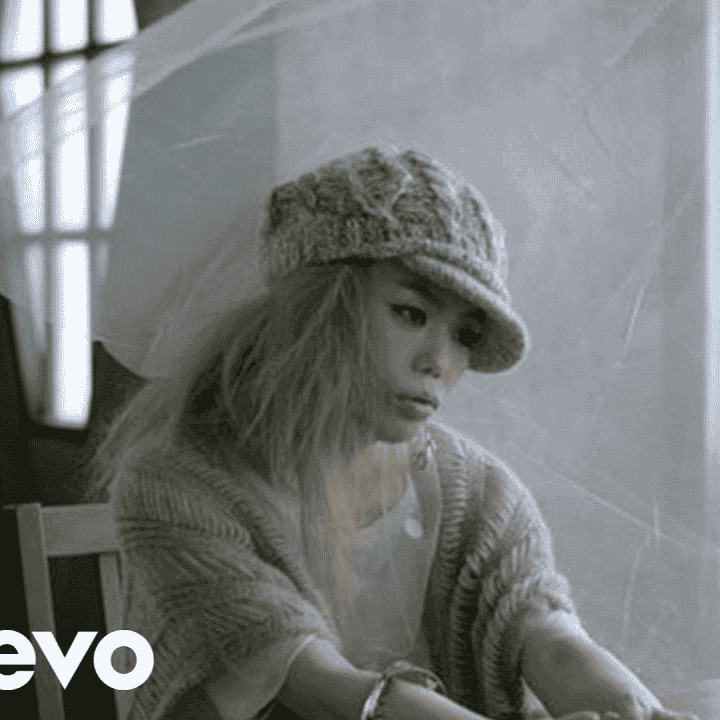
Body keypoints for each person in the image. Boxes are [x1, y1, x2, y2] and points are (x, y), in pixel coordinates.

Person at [89, 147, 706, 720]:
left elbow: (549, 638)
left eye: (465, 335)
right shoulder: (175, 483)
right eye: (410, 313)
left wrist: (641, 712)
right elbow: (325, 687)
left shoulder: (481, 494)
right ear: (318, 307)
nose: (439, 360)